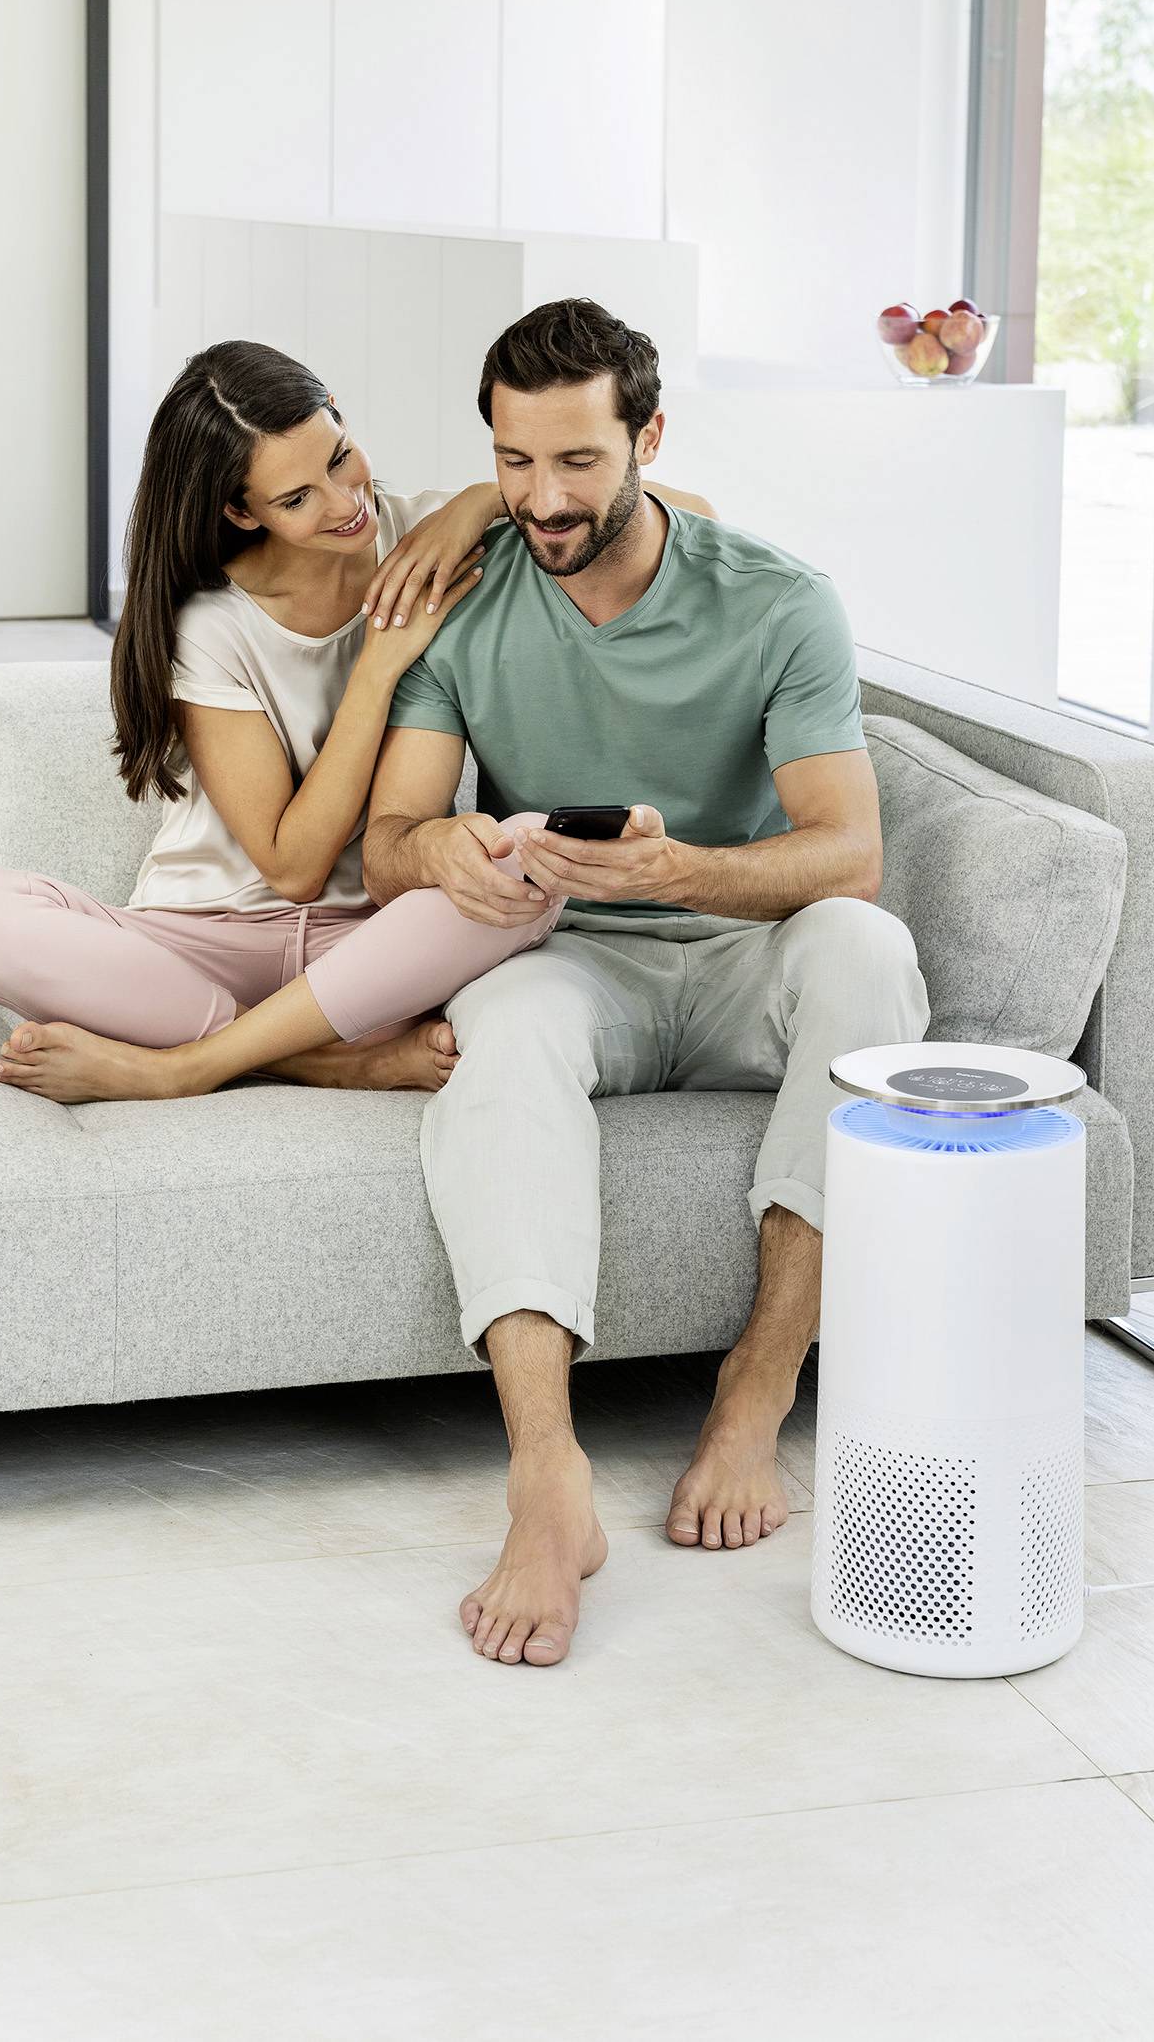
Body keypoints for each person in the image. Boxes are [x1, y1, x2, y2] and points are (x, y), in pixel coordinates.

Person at [360, 296, 931, 1668]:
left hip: (744, 957)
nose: (542, 499)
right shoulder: (467, 603)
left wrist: (677, 870)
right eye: (512, 463)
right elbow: (385, 845)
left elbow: (846, 854)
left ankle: (753, 1393)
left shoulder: (777, 600)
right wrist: (441, 848)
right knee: (499, 1031)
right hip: (574, 964)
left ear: (648, 440)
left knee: (867, 950)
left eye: (577, 462)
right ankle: (545, 1474)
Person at [0, 338, 712, 1103]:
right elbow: (294, 867)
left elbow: (692, 517)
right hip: (199, 941)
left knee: (532, 856)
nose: (343, 503)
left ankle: (195, 1061)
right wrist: (377, 666)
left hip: (376, 952)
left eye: (339, 458)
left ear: (337, 413)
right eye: (296, 498)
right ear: (240, 510)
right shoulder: (213, 625)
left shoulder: (429, 538)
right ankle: (313, 1063)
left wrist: (481, 500)